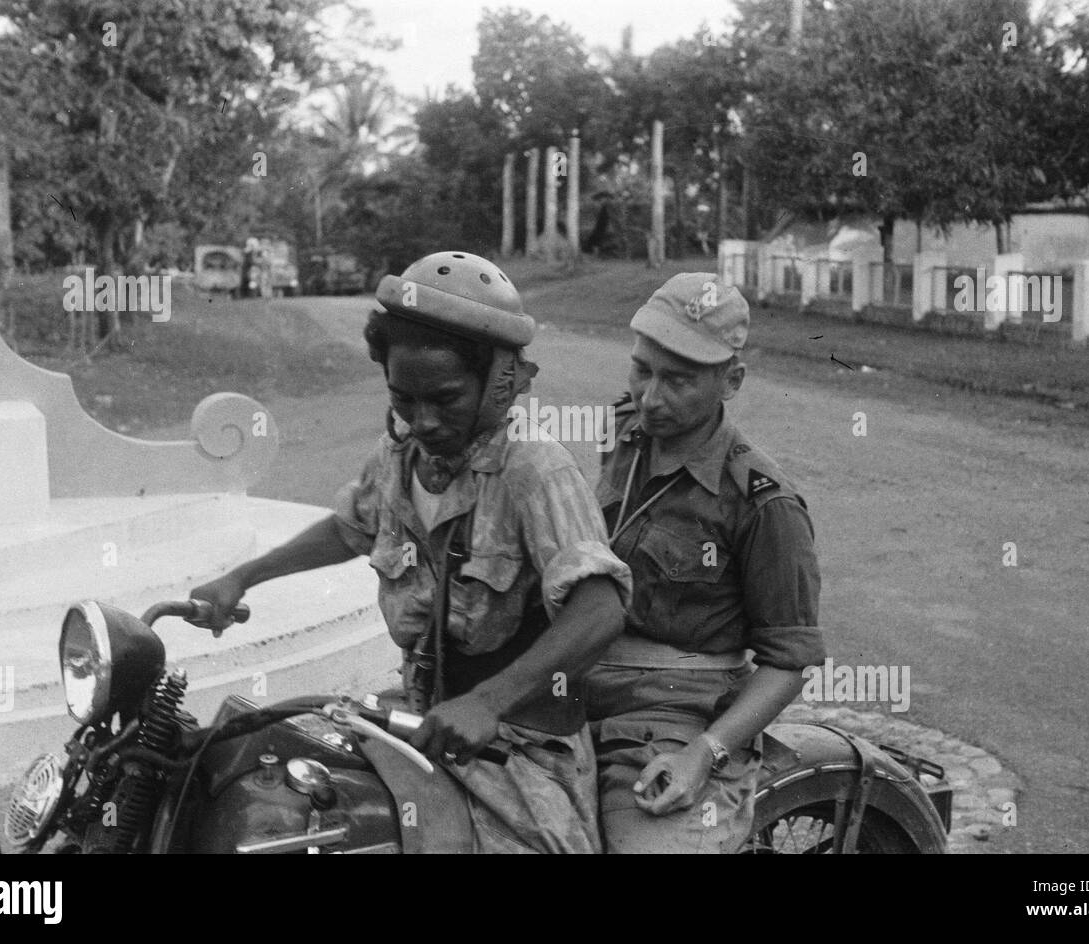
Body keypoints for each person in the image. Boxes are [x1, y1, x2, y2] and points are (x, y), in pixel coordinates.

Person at [190, 251, 631, 853]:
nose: (422, 421)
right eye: (404, 398)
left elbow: (600, 609)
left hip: (519, 748)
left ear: (498, 382)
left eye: (445, 399)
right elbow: (350, 528)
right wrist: (242, 577)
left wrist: (488, 702)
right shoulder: (399, 458)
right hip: (416, 726)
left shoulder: (535, 470)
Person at [586, 272, 826, 853]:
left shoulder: (764, 505)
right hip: (578, 689)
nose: (651, 397)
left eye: (679, 381)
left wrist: (704, 755)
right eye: (643, 370)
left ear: (731, 380)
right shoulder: (628, 432)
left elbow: (787, 663)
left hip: (676, 717)